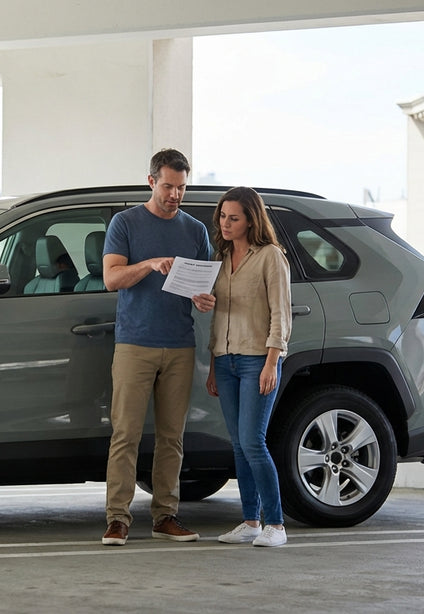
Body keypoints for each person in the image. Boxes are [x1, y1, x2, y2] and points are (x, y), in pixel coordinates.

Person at [101, 148, 216, 546]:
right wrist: (149, 264)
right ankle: (118, 518)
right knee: (126, 434)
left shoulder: (195, 230)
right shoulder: (126, 223)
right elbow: (112, 279)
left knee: (173, 437)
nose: (175, 195)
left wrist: (203, 299)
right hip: (135, 343)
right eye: (168, 186)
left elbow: (203, 286)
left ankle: (166, 515)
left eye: (181, 187)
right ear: (151, 182)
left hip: (180, 344)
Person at [204, 186, 292, 548]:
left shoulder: (270, 256)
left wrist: (272, 362)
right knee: (238, 445)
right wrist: (212, 365)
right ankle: (250, 521)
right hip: (225, 361)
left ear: (250, 220)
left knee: (253, 442)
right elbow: (219, 319)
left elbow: (280, 315)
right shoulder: (221, 258)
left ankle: (276, 524)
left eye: (234, 218)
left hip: (258, 358)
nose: (225, 223)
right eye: (223, 216)